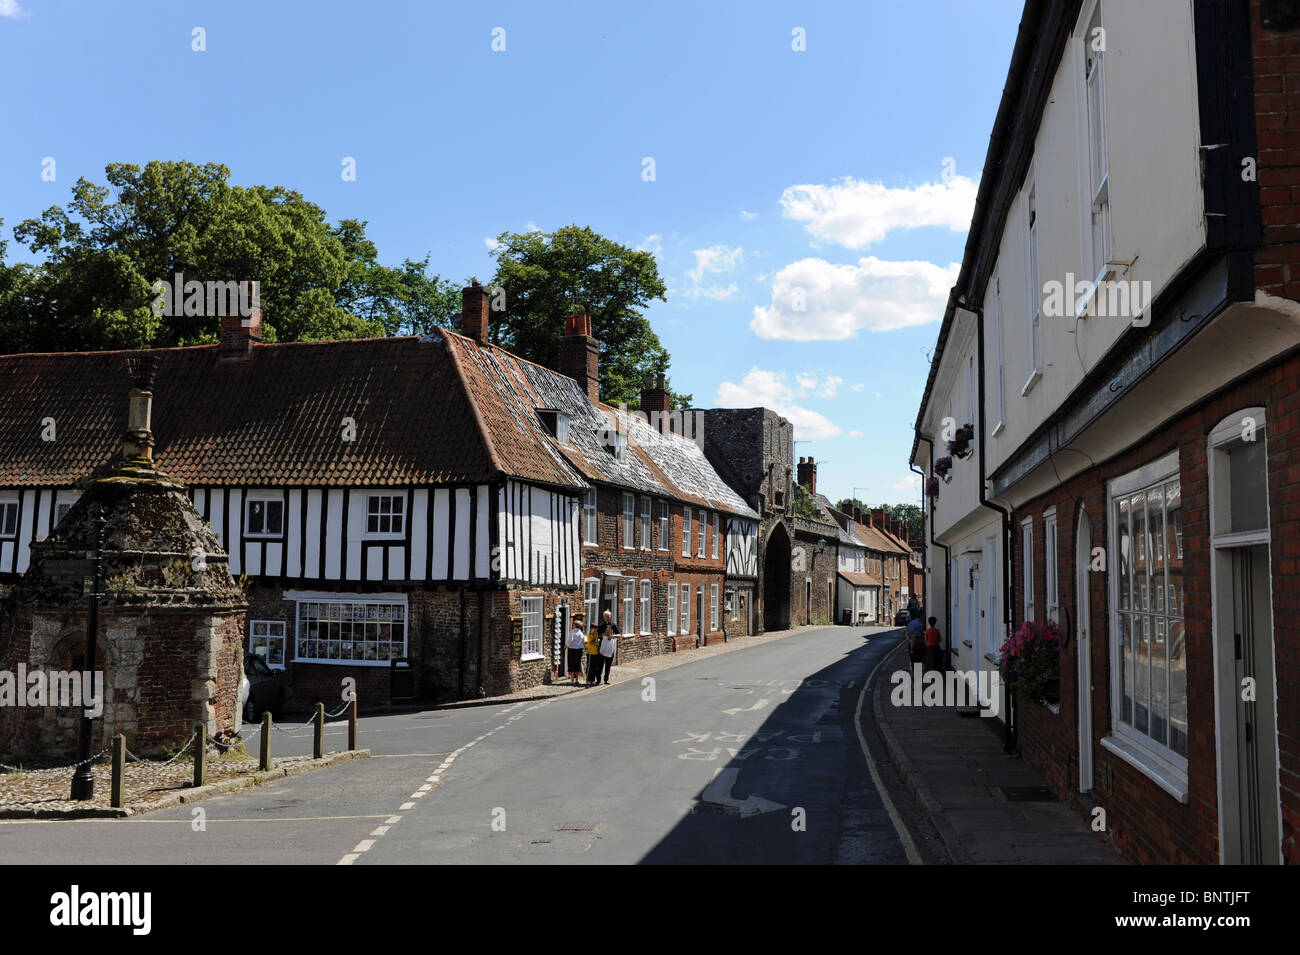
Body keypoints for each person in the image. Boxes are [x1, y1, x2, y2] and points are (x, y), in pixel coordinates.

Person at [594, 610, 620, 685]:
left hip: (610, 647)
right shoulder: (601, 625)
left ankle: (606, 679)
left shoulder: (613, 625)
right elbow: (597, 635)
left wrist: (613, 636)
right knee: (600, 665)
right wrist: (603, 634)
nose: (608, 618)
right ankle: (598, 680)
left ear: (610, 617)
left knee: (608, 665)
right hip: (602, 647)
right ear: (604, 617)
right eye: (606, 617)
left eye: (609, 617)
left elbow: (619, 635)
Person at [565, 618, 587, 685]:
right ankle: (577, 679)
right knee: (577, 664)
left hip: (572, 650)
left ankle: (572, 679)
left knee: (571, 663)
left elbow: (570, 640)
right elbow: (584, 640)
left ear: (574, 625)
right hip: (579, 650)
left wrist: (566, 645)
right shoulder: (581, 633)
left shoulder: (572, 632)